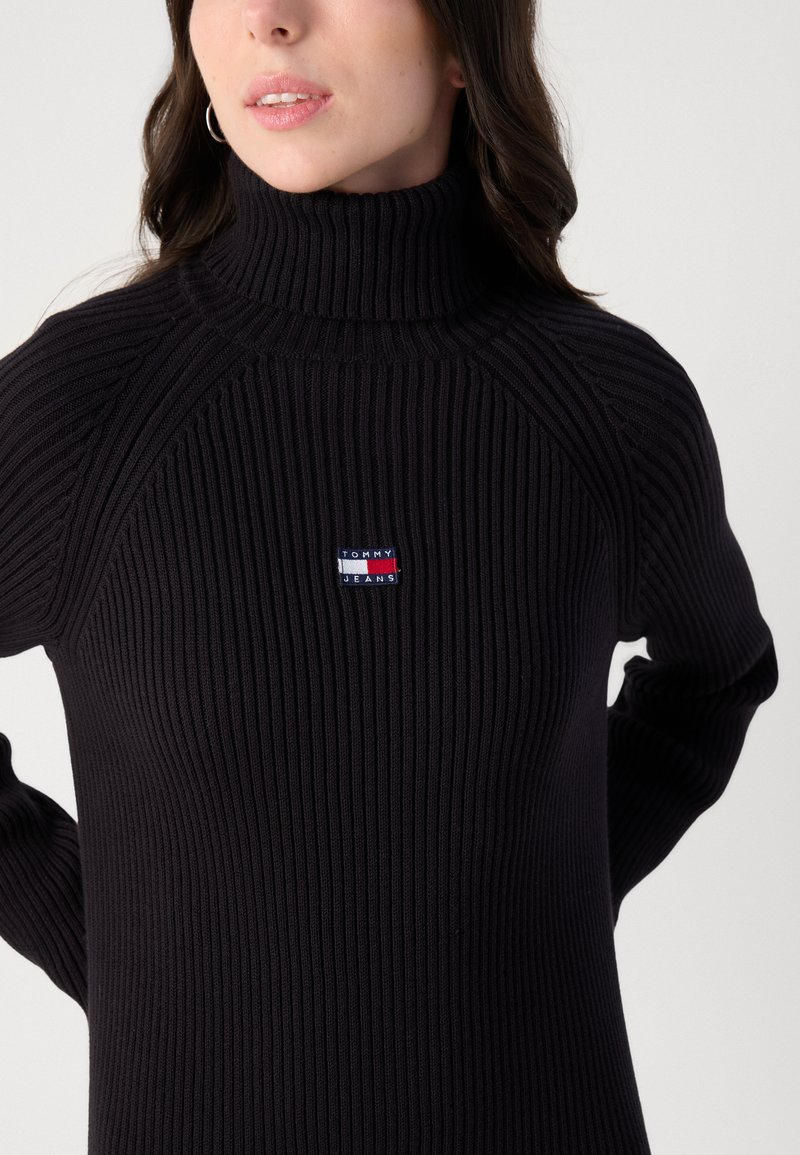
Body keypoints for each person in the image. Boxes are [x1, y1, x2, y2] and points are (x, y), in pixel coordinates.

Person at [0, 0, 779, 1152]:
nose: (269, 19)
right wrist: (96, 931)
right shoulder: (87, 409)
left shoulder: (607, 409)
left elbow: (714, 674)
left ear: (464, 39)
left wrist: (552, 900)